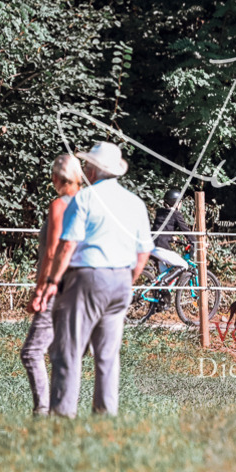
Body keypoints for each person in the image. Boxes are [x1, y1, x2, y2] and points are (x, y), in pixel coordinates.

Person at [37, 142, 153, 418]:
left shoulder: (85, 199)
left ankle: (63, 413)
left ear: (97, 169)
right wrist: (130, 277)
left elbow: (68, 246)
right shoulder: (134, 203)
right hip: (122, 280)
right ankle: (105, 413)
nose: (86, 168)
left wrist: (53, 281)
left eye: (89, 164)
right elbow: (144, 250)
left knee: (70, 348)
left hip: (87, 277)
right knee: (108, 354)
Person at [22, 154, 83, 416]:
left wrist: (41, 289)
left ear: (58, 177)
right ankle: (62, 410)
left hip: (56, 285)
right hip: (80, 285)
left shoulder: (60, 205)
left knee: (32, 352)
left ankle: (43, 410)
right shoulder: (89, 203)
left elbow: (52, 251)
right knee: (60, 351)